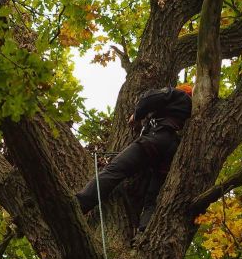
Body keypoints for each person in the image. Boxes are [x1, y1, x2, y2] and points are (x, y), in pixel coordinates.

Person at [76, 83, 193, 230]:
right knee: (152, 198)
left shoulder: (178, 94)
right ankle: (144, 232)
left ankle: (78, 205)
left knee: (114, 170)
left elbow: (149, 97)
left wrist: (137, 115)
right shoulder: (189, 112)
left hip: (156, 140)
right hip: (170, 154)